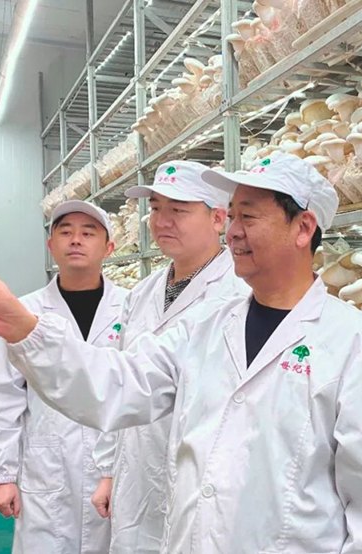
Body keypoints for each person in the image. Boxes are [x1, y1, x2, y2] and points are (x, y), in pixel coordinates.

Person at [0, 151, 362, 553]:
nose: (233, 231)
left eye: (248, 216)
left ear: (303, 228)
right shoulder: (205, 327)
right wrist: (24, 329)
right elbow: (116, 385)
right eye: (232, 215)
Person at [90, 160, 249, 553]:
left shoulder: (240, 293)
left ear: (218, 219)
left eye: (178, 210)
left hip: (206, 480)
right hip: (138, 475)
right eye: (156, 208)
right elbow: (121, 382)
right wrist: (108, 470)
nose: (162, 221)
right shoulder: (142, 293)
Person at [0, 200, 127, 553]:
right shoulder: (23, 311)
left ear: (109, 247)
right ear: (50, 245)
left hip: (117, 467)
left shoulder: (132, 307)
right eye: (65, 232)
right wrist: (1, 475)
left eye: (88, 233)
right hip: (47, 468)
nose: (76, 240)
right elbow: (2, 395)